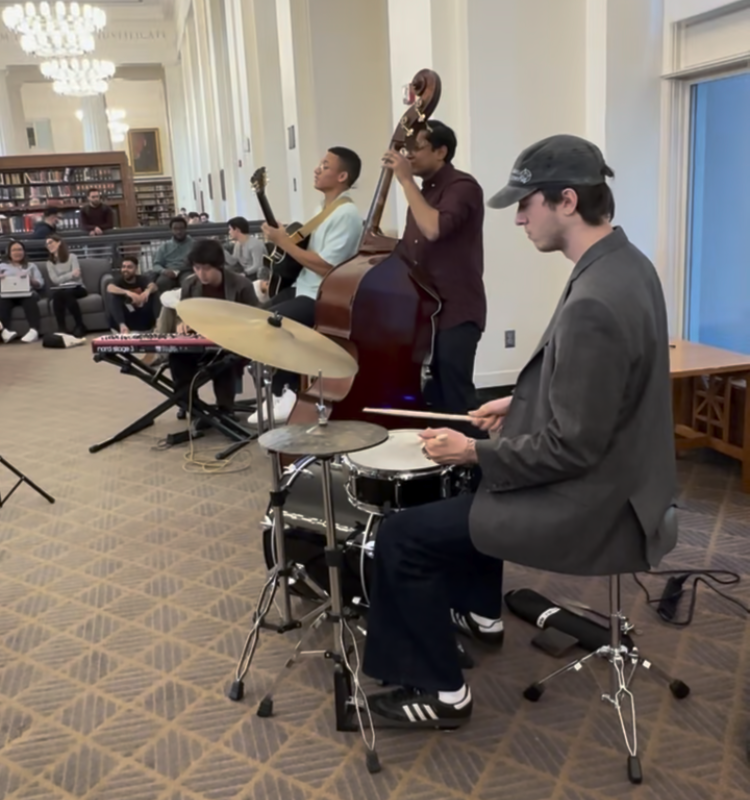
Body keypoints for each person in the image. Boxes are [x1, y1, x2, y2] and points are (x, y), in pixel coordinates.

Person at [361, 134, 678, 729]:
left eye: (525, 205)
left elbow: (573, 446)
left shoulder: (595, 301)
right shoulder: (627, 264)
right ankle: (479, 613)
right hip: (633, 482)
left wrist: (476, 450)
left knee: (404, 535)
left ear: (565, 201)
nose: (518, 220)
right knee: (467, 498)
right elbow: (608, 390)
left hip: (597, 504)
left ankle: (441, 693)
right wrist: (520, 398)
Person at [247, 146, 364, 425]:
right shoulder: (323, 209)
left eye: (325, 165)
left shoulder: (346, 214)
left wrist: (284, 242)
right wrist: (284, 235)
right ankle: (275, 391)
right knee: (250, 321)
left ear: (342, 176)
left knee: (274, 324)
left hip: (324, 297)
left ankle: (286, 391)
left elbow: (328, 267)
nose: (317, 169)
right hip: (304, 288)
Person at [384, 121, 486, 423]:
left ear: (441, 151)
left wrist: (405, 182)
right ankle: (445, 464)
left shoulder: (462, 187)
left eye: (417, 148)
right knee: (436, 398)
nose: (409, 155)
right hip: (424, 308)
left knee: (456, 398)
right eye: (407, 148)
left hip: (456, 307)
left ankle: (477, 465)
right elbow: (410, 248)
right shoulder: (424, 192)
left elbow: (433, 228)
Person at [169, 240, 258, 421]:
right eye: (197, 268)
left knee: (224, 360)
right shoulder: (190, 285)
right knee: (177, 355)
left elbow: (256, 319)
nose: (201, 273)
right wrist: (183, 323)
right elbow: (184, 313)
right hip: (200, 342)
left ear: (219, 266)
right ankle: (189, 404)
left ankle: (225, 408)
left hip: (233, 343)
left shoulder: (242, 285)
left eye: (207, 268)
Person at [0, 240, 45, 343]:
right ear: (9, 253)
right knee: (2, 301)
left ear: (24, 252)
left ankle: (34, 330)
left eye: (20, 250)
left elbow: (40, 284)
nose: (17, 252)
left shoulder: (31, 266)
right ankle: (4, 331)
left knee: (29, 299)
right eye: (14, 250)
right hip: (8, 294)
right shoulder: (2, 267)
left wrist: (31, 280)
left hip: (27, 293)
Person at [45, 235, 87, 336]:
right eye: (47, 244)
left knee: (66, 293)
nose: (49, 245)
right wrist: (70, 274)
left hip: (77, 287)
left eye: (51, 242)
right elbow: (55, 280)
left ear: (59, 242)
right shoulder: (49, 263)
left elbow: (77, 276)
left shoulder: (72, 257)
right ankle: (62, 328)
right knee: (58, 295)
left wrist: (65, 277)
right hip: (61, 289)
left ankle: (79, 325)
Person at [106, 256, 159, 333]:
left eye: (129, 267)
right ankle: (122, 326)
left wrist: (147, 291)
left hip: (142, 317)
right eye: (123, 267)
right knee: (113, 296)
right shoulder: (118, 280)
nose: (125, 269)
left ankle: (159, 324)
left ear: (136, 269)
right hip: (126, 317)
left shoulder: (142, 279)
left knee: (154, 293)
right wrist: (128, 293)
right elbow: (109, 287)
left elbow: (154, 286)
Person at [151, 216, 194, 293]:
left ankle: (186, 304)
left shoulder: (194, 244)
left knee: (189, 283)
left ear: (186, 229)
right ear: (171, 230)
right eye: (175, 229)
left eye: (181, 228)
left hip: (187, 271)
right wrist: (164, 271)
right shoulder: (165, 246)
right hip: (169, 271)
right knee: (161, 283)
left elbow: (200, 262)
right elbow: (156, 265)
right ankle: (164, 304)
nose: (179, 231)